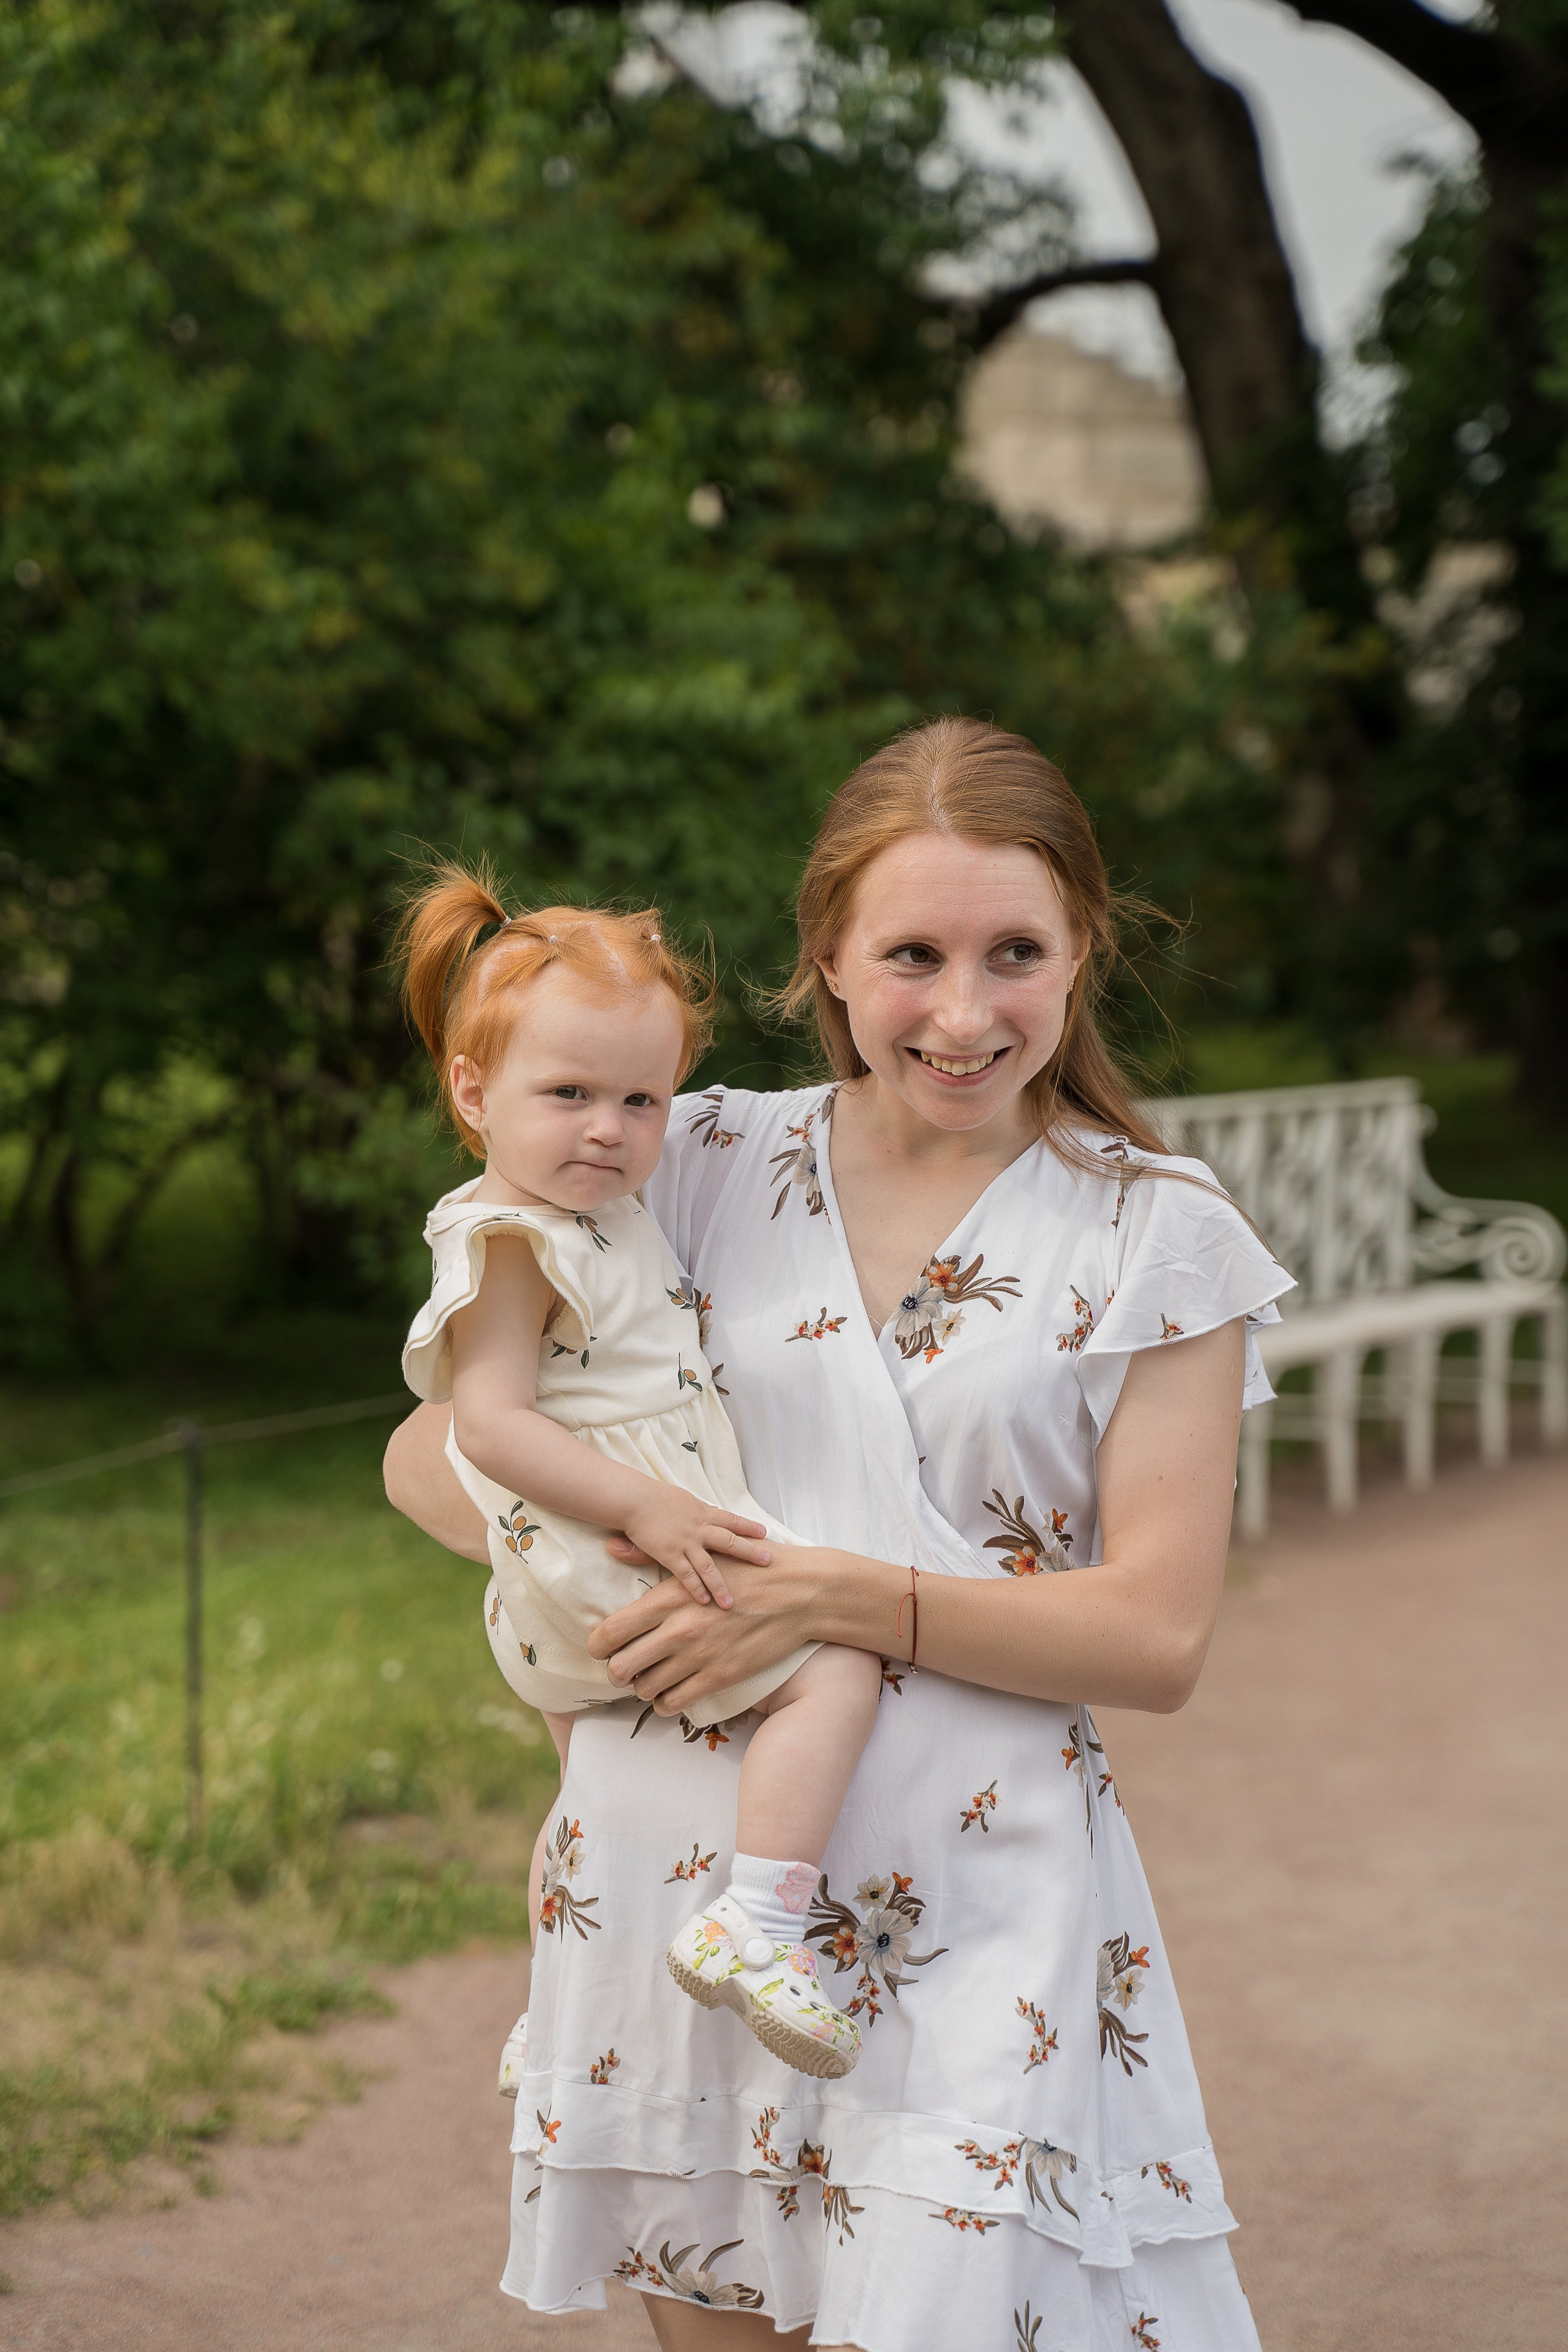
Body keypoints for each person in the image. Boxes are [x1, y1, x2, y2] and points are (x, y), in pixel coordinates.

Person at [385, 716, 1293, 2352]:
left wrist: (832, 1598)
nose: (964, 1011)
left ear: (1085, 950)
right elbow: (427, 1454)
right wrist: (652, 1572)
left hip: (985, 1899)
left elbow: (1156, 1637)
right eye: (914, 955)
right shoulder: (691, 1152)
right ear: (828, 960)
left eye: (1016, 952)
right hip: (684, 1888)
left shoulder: (1160, 1235)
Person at [395, 870, 882, 2080]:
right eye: (567, 1094)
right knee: (835, 1664)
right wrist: (648, 1506)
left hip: (565, 1575)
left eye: (639, 1099)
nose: (608, 1129)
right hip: (608, 1545)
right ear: (473, 1091)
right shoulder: (510, 1244)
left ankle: (556, 2002)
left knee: (590, 1803)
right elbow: (490, 1424)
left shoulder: (592, 1208)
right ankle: (765, 1917)